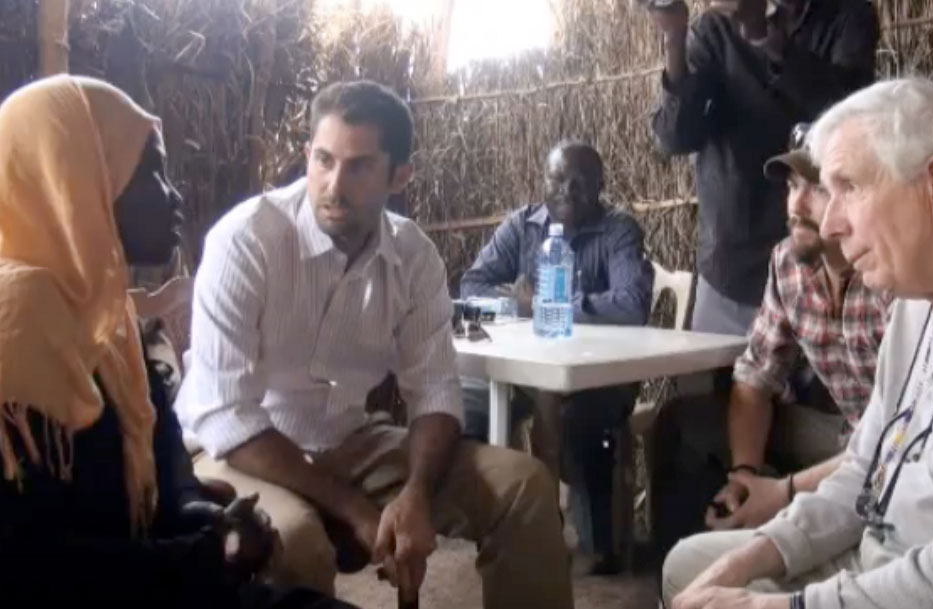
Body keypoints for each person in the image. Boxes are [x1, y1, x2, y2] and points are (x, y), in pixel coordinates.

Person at [662, 77, 933, 609]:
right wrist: (752, 557)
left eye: (848, 188)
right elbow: (865, 471)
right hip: (885, 552)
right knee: (691, 569)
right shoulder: (915, 300)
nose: (831, 222)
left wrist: (782, 606)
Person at [176, 80, 573, 609]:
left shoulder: (414, 257)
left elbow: (434, 391)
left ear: (399, 176)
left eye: (359, 166)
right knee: (296, 544)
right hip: (237, 451)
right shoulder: (246, 242)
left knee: (524, 486)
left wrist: (415, 491)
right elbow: (227, 416)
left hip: (349, 439)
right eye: (323, 160)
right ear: (307, 156)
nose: (333, 185)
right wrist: (356, 509)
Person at [0, 75, 355, 609]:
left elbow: (161, 453)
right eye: (151, 174)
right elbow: (29, 564)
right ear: (75, 180)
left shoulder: (102, 313)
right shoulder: (19, 323)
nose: (174, 196)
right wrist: (204, 554)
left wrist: (194, 510)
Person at [459, 140, 654, 573]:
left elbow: (632, 305)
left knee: (585, 420)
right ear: (542, 180)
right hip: (529, 373)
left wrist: (557, 304)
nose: (567, 189)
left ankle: (598, 541)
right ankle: (507, 523)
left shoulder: (619, 230)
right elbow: (472, 287)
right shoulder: (523, 226)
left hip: (598, 375)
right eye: (556, 178)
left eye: (580, 182)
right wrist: (518, 305)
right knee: (464, 406)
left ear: (600, 187)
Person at [646, 0, 879, 335]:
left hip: (817, 262)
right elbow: (674, 138)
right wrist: (674, 37)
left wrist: (761, 36)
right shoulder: (714, 29)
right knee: (714, 388)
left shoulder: (847, 15)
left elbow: (847, 120)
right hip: (730, 270)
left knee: (811, 386)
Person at [704, 123, 892, 533]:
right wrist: (745, 474)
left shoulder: (891, 272)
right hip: (839, 435)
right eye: (792, 185)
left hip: (896, 447)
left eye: (817, 188)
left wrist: (785, 491)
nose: (796, 204)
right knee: (685, 426)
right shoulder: (788, 263)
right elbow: (755, 378)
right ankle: (697, 579)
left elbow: (907, 428)